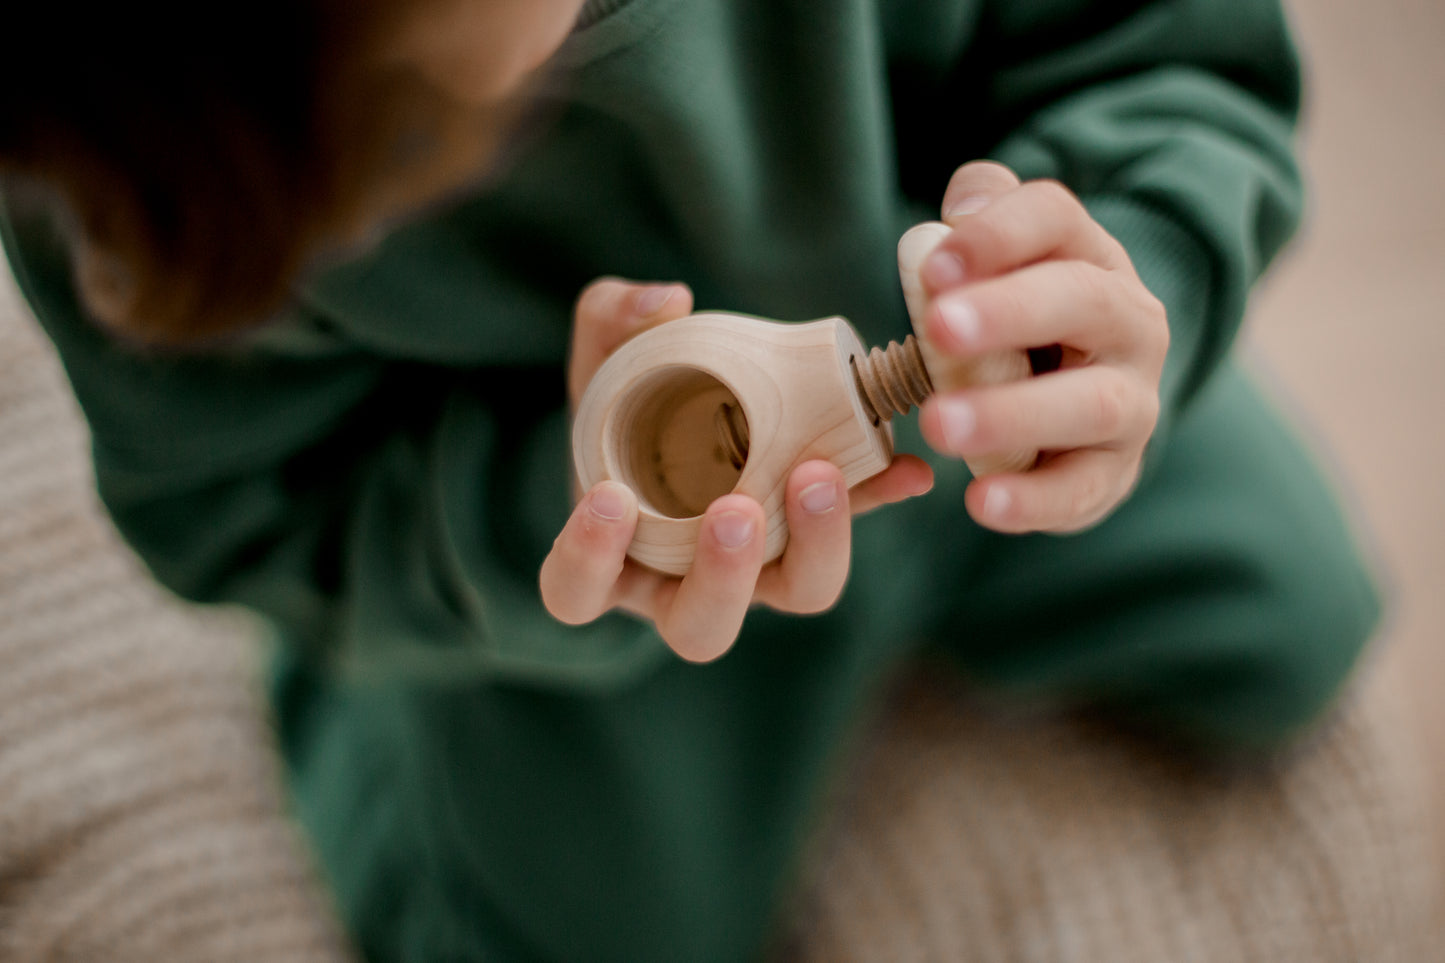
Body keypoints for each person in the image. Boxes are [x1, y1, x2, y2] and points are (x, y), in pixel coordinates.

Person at [0, 0, 1381, 960]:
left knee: (1298, 628)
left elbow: (1163, 56)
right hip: (574, 568)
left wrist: (1133, 271)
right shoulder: (130, 164)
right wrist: (546, 531)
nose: (365, 220)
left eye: (414, 136)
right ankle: (375, 723)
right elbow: (252, 506)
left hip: (975, 398)